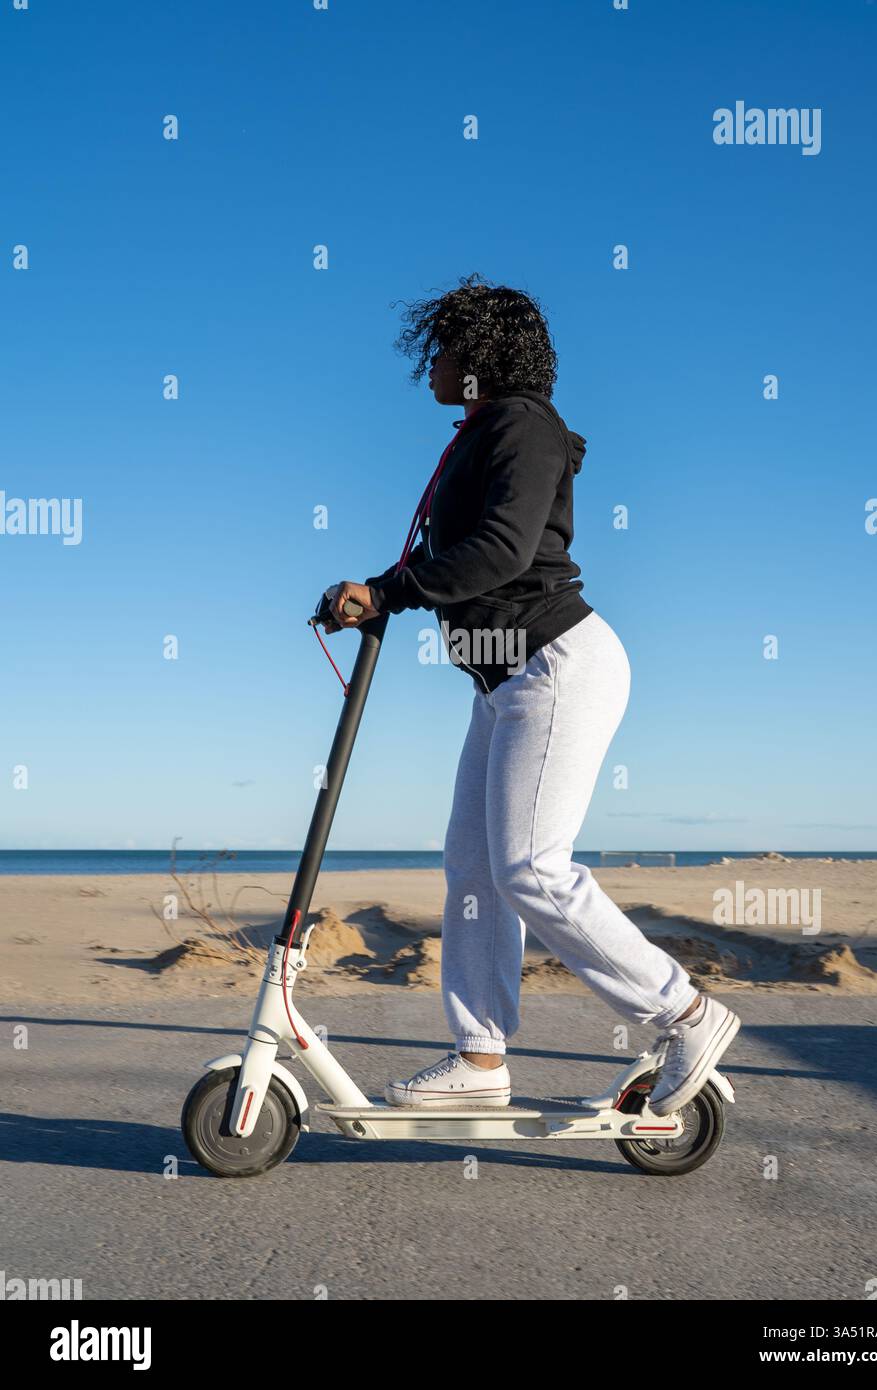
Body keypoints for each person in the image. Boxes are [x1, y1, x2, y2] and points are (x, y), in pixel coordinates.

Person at [323, 274, 739, 1118]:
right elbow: (467, 556)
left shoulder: (522, 423)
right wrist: (377, 593)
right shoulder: (482, 433)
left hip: (556, 661)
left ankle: (685, 1013)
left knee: (531, 868)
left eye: (442, 349)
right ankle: (480, 1057)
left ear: (479, 357)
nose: (430, 365)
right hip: (505, 676)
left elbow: (506, 551)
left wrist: (386, 590)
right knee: (473, 867)